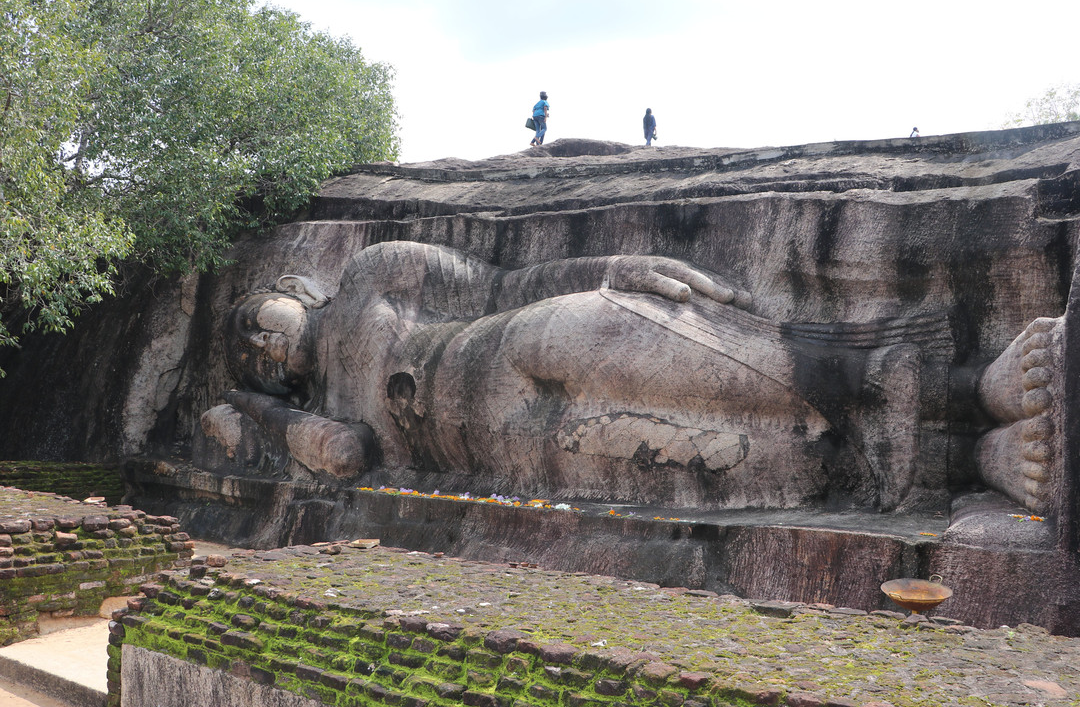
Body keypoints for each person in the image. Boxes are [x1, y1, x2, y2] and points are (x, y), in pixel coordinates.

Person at [210, 241, 1058, 515]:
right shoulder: (320, 410)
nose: (261, 342)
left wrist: (618, 263)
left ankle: (962, 386)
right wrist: (256, 409)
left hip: (505, 342)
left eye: (258, 319)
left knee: (705, 363)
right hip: (497, 438)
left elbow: (499, 282)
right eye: (251, 355)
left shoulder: (367, 275)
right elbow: (349, 454)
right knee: (725, 452)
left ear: (294, 290)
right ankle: (957, 464)